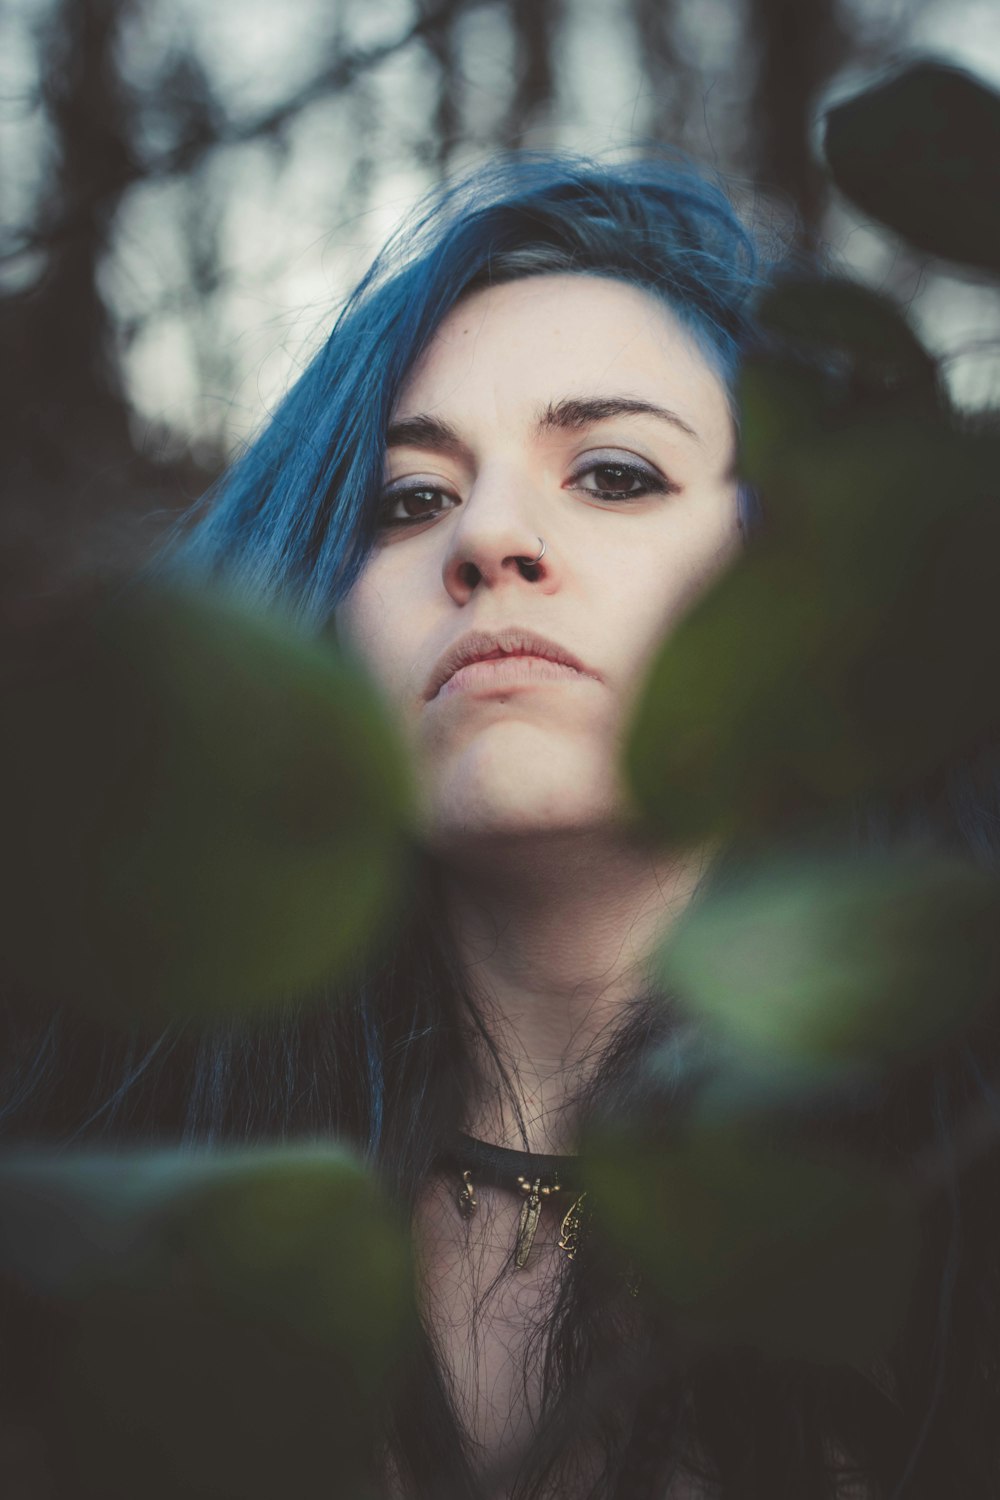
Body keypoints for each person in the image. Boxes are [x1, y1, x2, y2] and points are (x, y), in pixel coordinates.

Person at [6, 154, 1000, 1499]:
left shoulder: (958, 1201)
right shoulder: (103, 1220)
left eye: (612, 471)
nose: (486, 538)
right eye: (409, 498)